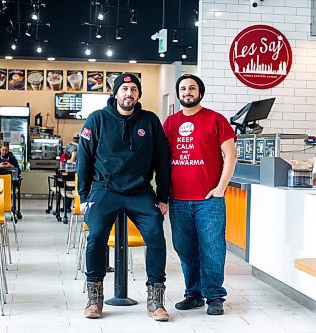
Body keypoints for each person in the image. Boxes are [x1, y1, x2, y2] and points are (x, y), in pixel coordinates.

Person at [77, 73, 171, 321]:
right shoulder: (96, 119)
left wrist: (163, 196)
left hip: (140, 191)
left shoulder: (150, 121)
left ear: (138, 94)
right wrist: (84, 196)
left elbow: (162, 160)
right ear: (116, 93)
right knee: (96, 235)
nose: (129, 93)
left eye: (133, 89)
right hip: (104, 190)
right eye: (124, 89)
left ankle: (155, 299)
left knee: (155, 235)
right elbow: (83, 159)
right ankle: (94, 297)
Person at [163, 74, 237, 315]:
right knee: (184, 248)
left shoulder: (216, 120)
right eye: (183, 88)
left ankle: (214, 296)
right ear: (178, 93)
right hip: (178, 200)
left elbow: (231, 155)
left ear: (200, 93)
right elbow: (160, 158)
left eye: (192, 88)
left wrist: (221, 188)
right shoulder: (170, 123)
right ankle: (193, 293)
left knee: (212, 248)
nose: (187, 92)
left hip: (209, 201)